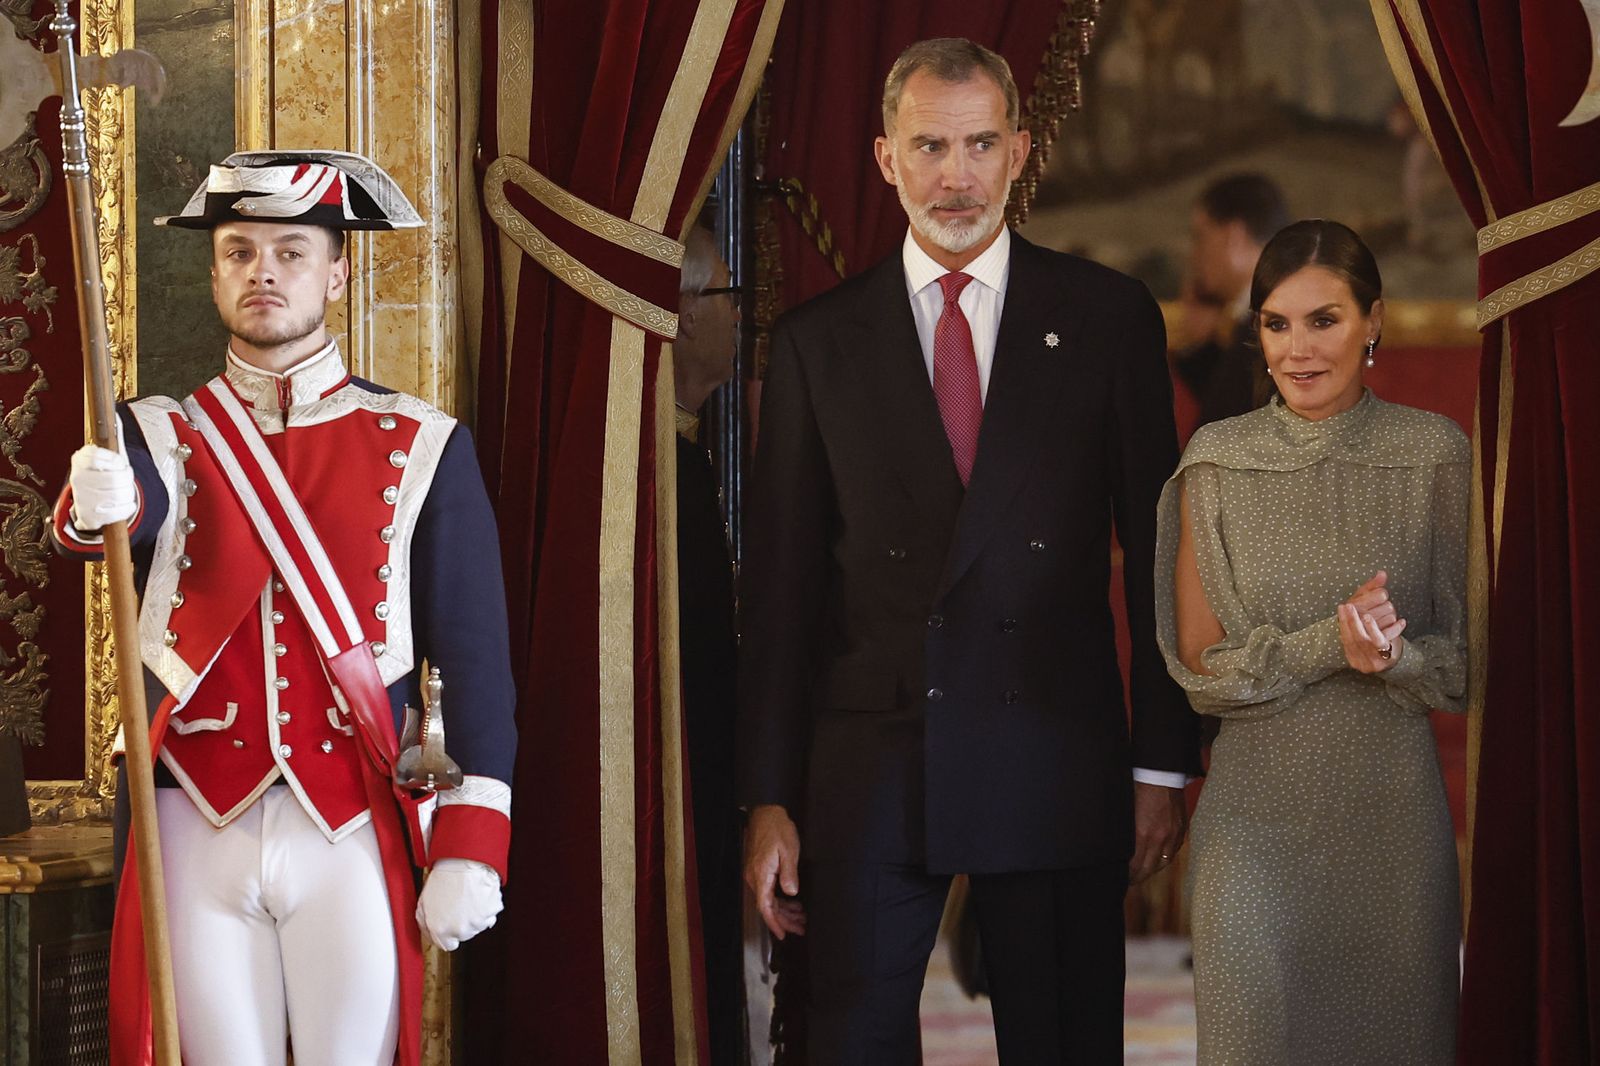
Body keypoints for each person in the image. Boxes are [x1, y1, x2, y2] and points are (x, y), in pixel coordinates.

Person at [736, 38, 1200, 1063]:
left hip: (1054, 755)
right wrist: (769, 795)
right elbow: (782, 590)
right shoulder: (818, 343)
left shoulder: (1107, 317)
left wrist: (1160, 763)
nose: (957, 175)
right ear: (884, 159)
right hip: (866, 767)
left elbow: (1164, 549)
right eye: (931, 145)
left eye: (981, 143)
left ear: (1021, 150)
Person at [52, 151, 516, 1066]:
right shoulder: (157, 433)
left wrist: (473, 842)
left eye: (291, 251)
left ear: (337, 273)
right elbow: (106, 514)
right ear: (216, 272)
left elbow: (477, 661)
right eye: (238, 251)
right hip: (195, 822)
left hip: (347, 820)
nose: (262, 270)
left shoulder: (424, 445)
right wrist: (91, 494)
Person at [1155, 219, 1465, 1064]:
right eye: (1276, 322)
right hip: (1251, 840)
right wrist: (1331, 644)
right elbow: (1201, 670)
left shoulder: (1434, 455)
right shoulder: (1217, 462)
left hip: (1392, 838)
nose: (1298, 348)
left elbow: (1465, 666)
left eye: (1324, 319)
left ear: (1374, 321)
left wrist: (1394, 657)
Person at [673, 223, 746, 1064]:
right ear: (682, 312)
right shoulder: (644, 466)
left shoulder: (690, 450)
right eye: (726, 295)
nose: (738, 315)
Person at [1171, 173, 1290, 435]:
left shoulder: (1275, 325)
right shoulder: (1272, 318)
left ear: (1233, 236)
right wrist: (1202, 347)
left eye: (1200, 237)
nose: (1194, 257)